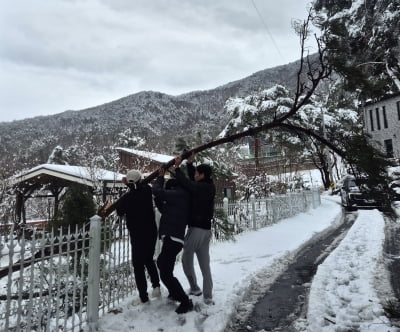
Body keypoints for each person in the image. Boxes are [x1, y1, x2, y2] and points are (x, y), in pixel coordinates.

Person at [174, 153, 216, 305]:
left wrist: (177, 168)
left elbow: (189, 184)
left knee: (186, 260)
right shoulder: (208, 186)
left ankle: (194, 288)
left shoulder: (203, 187)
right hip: (206, 231)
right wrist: (190, 164)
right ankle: (208, 296)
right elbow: (193, 180)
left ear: (202, 175)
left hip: (197, 229)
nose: (195, 175)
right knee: (205, 265)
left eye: (197, 173)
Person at [116, 169, 160, 304]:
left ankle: (143, 296)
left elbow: (119, 210)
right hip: (151, 233)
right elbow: (140, 186)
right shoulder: (147, 191)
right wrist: (130, 184)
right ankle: (156, 286)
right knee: (148, 259)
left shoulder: (126, 199)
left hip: (137, 236)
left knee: (138, 265)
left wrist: (128, 186)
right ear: (140, 180)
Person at [152, 168, 193, 314]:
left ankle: (184, 301)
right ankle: (173, 292)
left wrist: (160, 178)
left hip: (173, 238)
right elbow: (164, 208)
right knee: (163, 265)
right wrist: (157, 199)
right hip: (171, 238)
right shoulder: (178, 199)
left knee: (165, 271)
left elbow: (158, 191)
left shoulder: (180, 194)